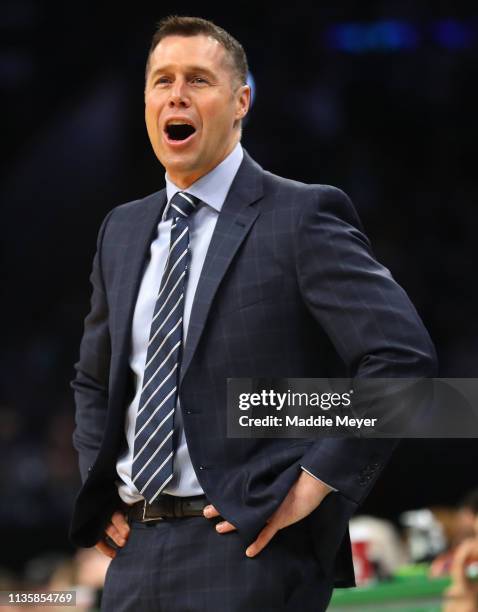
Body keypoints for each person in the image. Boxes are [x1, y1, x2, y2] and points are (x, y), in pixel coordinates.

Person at [69, 15, 437, 611]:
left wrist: (315, 482)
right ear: (145, 102)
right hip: (134, 554)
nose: (177, 95)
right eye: (162, 81)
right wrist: (100, 487)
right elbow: (93, 379)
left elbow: (403, 361)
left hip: (250, 550)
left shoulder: (301, 216)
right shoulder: (122, 229)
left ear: (241, 102)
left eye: (198, 80)